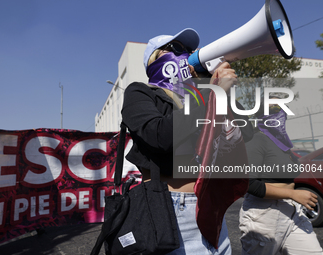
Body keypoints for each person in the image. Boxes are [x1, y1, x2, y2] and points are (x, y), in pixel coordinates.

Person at [121, 28, 252, 254]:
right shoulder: (141, 93)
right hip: (172, 208)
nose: (187, 54)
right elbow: (159, 136)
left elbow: (247, 132)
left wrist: (217, 91)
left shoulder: (200, 95)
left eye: (189, 50)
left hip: (210, 206)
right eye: (177, 49)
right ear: (155, 59)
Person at [239, 96, 323, 255]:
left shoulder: (282, 143)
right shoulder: (256, 140)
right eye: (274, 108)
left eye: (283, 108)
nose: (280, 113)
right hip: (264, 215)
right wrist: (292, 193)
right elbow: (247, 183)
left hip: (293, 212)